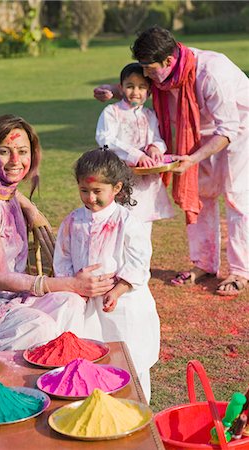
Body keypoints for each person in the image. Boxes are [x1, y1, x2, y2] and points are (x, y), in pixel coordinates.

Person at [94, 26, 249, 297]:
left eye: (151, 71)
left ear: (169, 61)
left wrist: (193, 159)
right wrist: (113, 90)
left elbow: (228, 129)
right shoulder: (166, 73)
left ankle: (240, 271)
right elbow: (139, 90)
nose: (148, 77)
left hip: (240, 126)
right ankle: (204, 264)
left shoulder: (212, 72)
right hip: (202, 130)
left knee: (237, 195)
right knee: (202, 194)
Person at [0, 114, 115, 351]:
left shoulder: (4, 191)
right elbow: (1, 278)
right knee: (39, 327)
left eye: (22, 151)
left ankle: (62, 374)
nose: (15, 160)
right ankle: (10, 380)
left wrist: (29, 206)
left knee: (70, 303)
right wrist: (70, 282)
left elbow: (7, 190)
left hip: (4, 299)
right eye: (5, 151)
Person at [53, 148, 160, 402]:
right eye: (84, 191)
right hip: (87, 303)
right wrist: (74, 283)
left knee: (131, 357)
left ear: (116, 188)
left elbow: (139, 261)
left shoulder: (127, 222)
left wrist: (119, 289)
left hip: (123, 305)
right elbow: (63, 258)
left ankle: (137, 406)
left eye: (97, 191)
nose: (90, 198)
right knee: (95, 359)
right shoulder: (72, 221)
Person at [95, 62, 173, 237]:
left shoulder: (149, 114)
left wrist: (155, 148)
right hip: (120, 178)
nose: (135, 92)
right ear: (121, 88)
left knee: (143, 228)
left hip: (145, 181)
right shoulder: (111, 112)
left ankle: (141, 264)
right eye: (130, 86)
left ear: (150, 91)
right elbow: (105, 140)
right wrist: (136, 155)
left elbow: (157, 138)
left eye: (141, 87)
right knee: (120, 225)